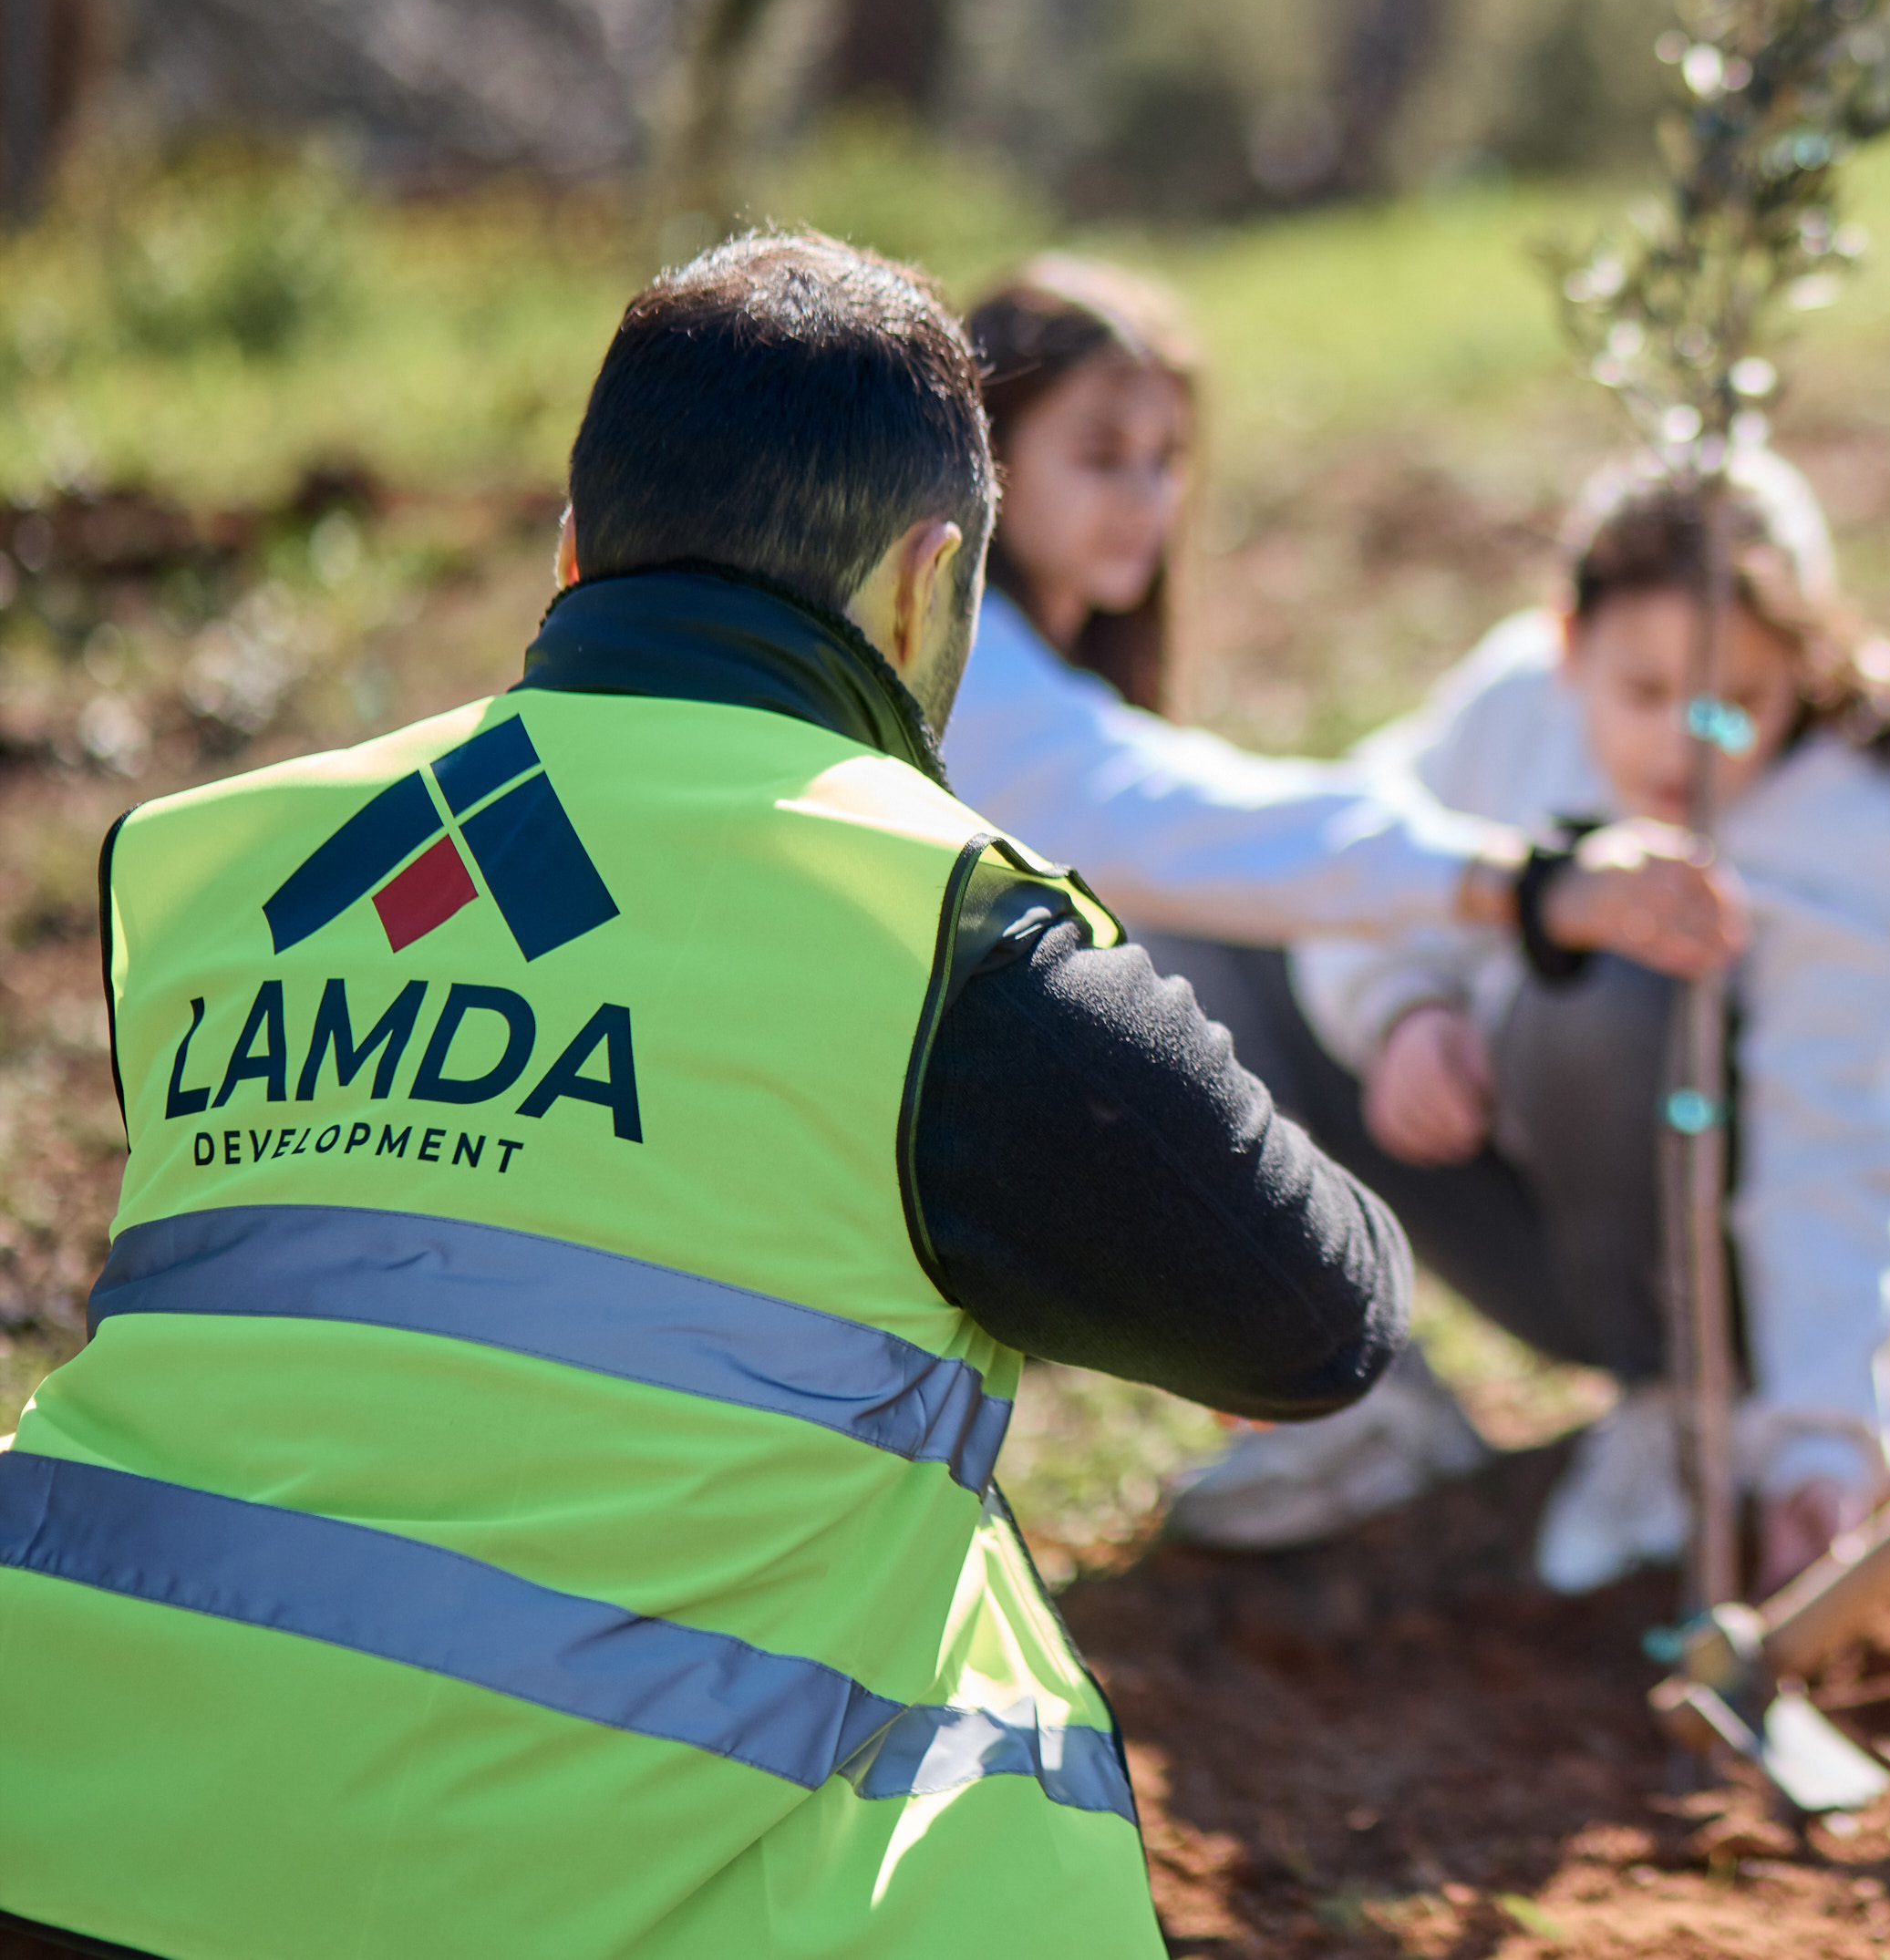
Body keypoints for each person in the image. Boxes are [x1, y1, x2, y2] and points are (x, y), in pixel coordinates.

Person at [0, 233, 1411, 1958]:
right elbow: (1309, 1322)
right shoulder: (932, 923)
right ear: (924, 587)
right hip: (533, 1903)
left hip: (57, 1826)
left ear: (575, 545)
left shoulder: (225, 853)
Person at [933, 259, 1747, 1546]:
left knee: (1174, 940)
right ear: (986, 464)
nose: (1145, 498)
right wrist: (1522, 884)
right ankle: (1335, 1401)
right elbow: (1179, 822)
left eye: (1167, 458)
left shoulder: (1038, 670)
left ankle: (1362, 1408)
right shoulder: (969, 678)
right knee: (1139, 950)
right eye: (1101, 455)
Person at [1217, 449, 1890, 1597]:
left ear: (1807, 669)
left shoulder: (1842, 839)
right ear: (1568, 644)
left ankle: (1680, 1403)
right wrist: (1405, 1012)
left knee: (1617, 974)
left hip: (1710, 1263)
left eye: (1738, 704)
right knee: (1207, 934)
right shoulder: (1515, 704)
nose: (1690, 744)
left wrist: (1824, 1440)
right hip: (1518, 1203)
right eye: (1644, 693)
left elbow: (1837, 1139)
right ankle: (1360, 1402)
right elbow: (1358, 861)